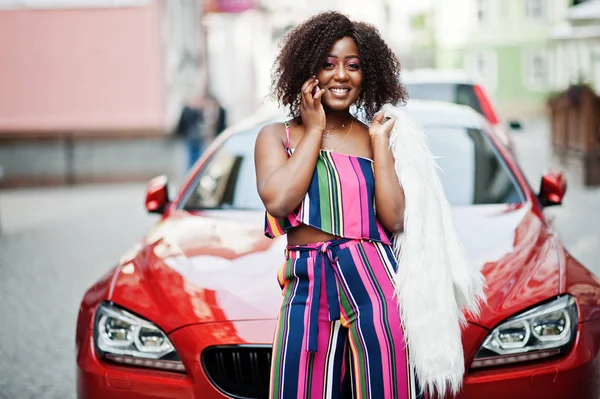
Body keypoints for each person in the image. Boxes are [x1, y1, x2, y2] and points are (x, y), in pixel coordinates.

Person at [254, 11, 416, 399]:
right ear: (307, 71)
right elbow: (279, 200)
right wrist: (313, 130)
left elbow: (394, 218)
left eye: (353, 65)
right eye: (328, 64)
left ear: (368, 75)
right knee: (299, 388)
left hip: (376, 282)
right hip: (308, 280)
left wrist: (379, 143)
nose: (341, 75)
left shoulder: (379, 138)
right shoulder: (278, 136)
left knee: (387, 387)